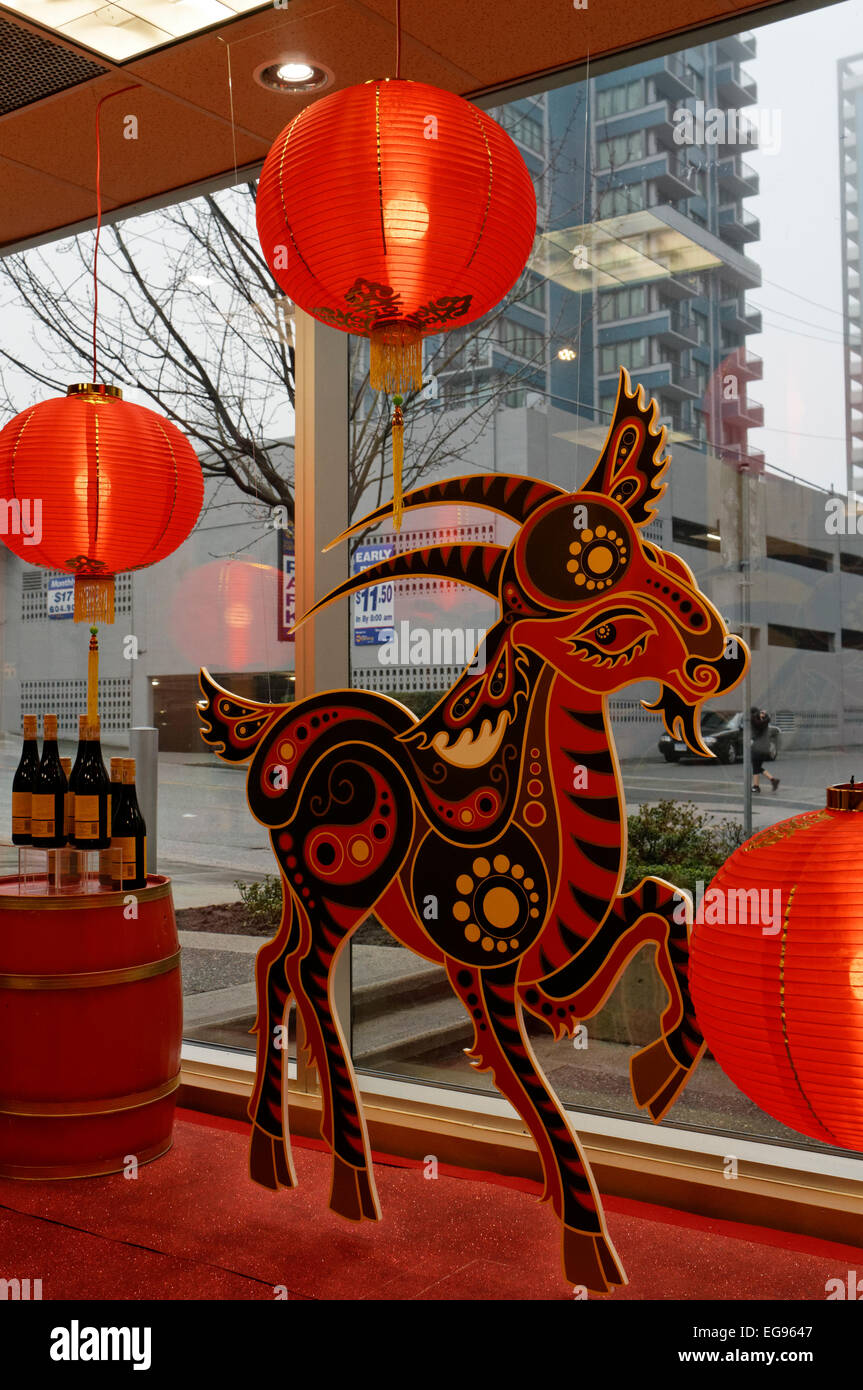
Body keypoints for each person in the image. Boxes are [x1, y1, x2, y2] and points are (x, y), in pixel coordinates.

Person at [750, 706, 779, 793]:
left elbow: (757, 724)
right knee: (757, 766)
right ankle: (772, 781)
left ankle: (756, 786)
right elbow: (762, 721)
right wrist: (766, 716)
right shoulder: (764, 722)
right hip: (764, 748)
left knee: (756, 766)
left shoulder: (757, 723)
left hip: (758, 747)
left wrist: (756, 716)